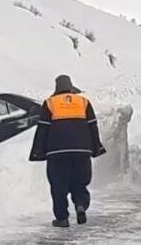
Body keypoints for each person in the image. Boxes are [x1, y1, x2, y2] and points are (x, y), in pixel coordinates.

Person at [29, 75, 106, 228]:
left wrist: (38, 151)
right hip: (81, 151)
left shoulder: (50, 103)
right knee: (80, 183)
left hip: (57, 153)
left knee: (58, 186)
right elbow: (92, 126)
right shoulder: (83, 102)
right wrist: (96, 146)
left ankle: (62, 219)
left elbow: (43, 128)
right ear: (71, 87)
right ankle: (80, 205)